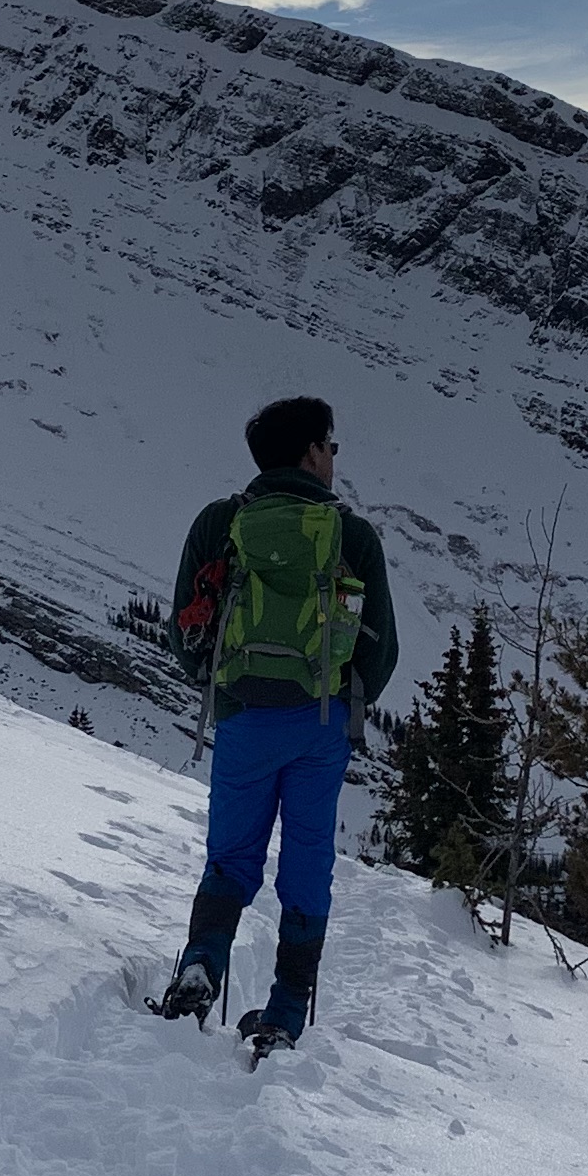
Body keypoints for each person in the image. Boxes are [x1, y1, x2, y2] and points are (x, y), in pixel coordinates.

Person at [157, 394, 398, 1053]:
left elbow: (186, 630)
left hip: (243, 718)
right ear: (310, 452)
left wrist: (230, 690)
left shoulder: (220, 522)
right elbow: (384, 654)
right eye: (331, 446)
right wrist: (338, 700)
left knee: (232, 855)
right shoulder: (351, 536)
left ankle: (203, 962)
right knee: (307, 861)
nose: (333, 459)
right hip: (319, 727)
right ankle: (285, 1012)